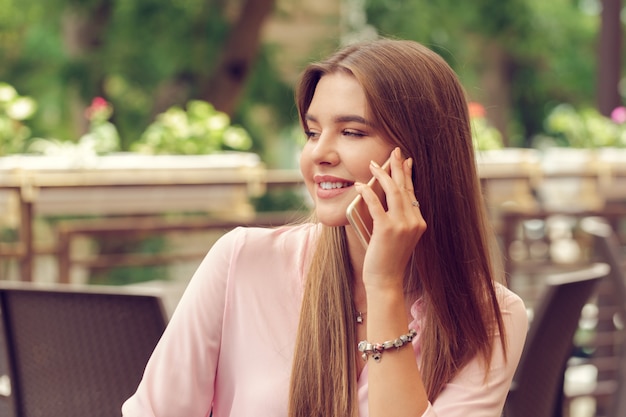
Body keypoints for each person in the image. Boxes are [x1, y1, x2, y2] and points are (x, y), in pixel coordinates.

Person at [122, 38, 528, 417]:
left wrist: (384, 285)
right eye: (313, 132)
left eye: (351, 132)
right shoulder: (242, 260)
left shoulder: (491, 317)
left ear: (423, 155)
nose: (319, 153)